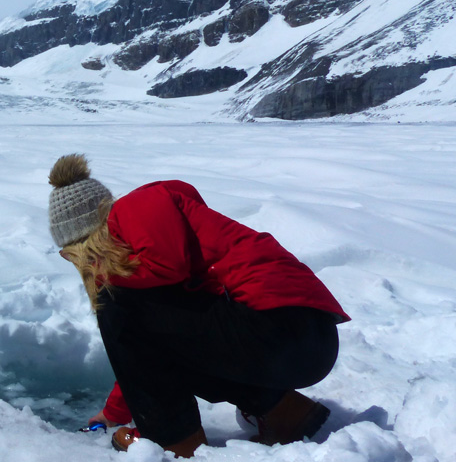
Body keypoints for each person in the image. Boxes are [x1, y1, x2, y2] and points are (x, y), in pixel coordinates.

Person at [47, 154, 348, 457]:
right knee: (144, 325)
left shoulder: (133, 208)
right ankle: (285, 413)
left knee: (115, 305)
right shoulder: (142, 243)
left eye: (75, 256)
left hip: (283, 328)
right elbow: (148, 349)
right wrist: (114, 412)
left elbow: (167, 269)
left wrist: (107, 278)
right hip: (297, 342)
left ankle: (172, 443)